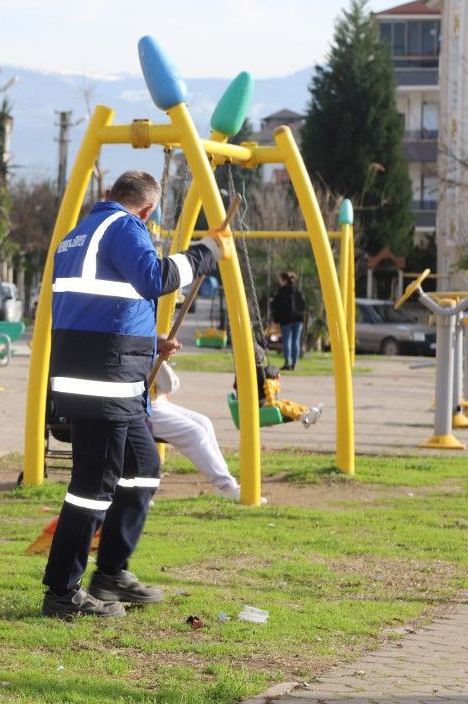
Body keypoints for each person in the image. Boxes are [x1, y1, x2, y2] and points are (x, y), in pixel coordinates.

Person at [42, 170, 224, 619]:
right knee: (92, 489)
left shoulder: (78, 234)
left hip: (102, 375)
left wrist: (149, 342)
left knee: (142, 467)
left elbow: (101, 305)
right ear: (146, 211)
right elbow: (152, 277)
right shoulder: (124, 227)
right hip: (104, 384)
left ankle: (111, 574)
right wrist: (204, 253)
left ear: (108, 194)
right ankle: (63, 593)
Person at [148, 361, 242, 500]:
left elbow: (168, 386)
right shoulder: (146, 346)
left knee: (204, 423)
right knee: (194, 432)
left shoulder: (149, 345)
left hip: (156, 401)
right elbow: (169, 385)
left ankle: (224, 483)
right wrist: (159, 357)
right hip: (141, 408)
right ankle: (227, 486)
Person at [258, 364, 323, 427]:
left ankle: (307, 413)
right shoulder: (270, 383)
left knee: (287, 403)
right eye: (278, 373)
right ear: (274, 375)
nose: (280, 375)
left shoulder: (272, 383)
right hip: (268, 406)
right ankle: (303, 416)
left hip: (269, 404)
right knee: (284, 407)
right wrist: (273, 404)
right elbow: (270, 399)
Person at [269, 271, 306, 370]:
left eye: (280, 279)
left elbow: (277, 307)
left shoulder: (281, 292)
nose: (279, 281)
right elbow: (303, 305)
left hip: (286, 321)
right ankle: (294, 363)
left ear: (284, 280)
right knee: (296, 341)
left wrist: (275, 320)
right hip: (298, 320)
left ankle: (287, 363)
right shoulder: (297, 292)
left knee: (287, 341)